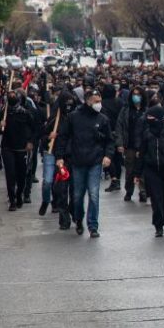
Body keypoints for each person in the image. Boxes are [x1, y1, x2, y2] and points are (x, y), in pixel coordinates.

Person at [55, 90, 114, 237]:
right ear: (87, 101)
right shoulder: (74, 117)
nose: (98, 104)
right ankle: (79, 219)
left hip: (95, 161)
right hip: (78, 161)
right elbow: (63, 137)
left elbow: (109, 140)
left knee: (94, 194)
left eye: (99, 101)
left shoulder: (103, 119)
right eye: (95, 101)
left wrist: (108, 155)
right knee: (77, 195)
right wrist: (60, 156)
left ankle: (93, 225)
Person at [135, 106, 164, 237]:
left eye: (151, 117)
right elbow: (142, 154)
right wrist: (137, 173)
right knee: (156, 199)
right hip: (151, 171)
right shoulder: (147, 133)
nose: (148, 119)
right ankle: (158, 225)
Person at [39, 90, 77, 216]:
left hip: (66, 155)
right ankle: (46, 200)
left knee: (60, 181)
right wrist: (49, 137)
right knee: (48, 181)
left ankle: (57, 204)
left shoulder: (75, 118)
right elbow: (42, 137)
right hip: (51, 153)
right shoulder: (54, 118)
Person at [0, 90, 36, 211]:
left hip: (21, 148)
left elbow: (34, 128)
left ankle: (19, 193)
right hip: (7, 147)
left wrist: (30, 142)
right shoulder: (3, 112)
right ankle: (12, 199)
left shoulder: (25, 113)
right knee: (10, 174)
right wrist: (0, 125)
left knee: (21, 174)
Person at [116, 86, 147, 202]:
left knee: (143, 169)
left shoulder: (146, 110)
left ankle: (143, 191)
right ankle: (129, 190)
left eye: (139, 94)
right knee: (129, 169)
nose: (136, 96)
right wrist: (119, 143)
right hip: (129, 145)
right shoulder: (126, 110)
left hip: (143, 146)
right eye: (134, 94)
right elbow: (119, 126)